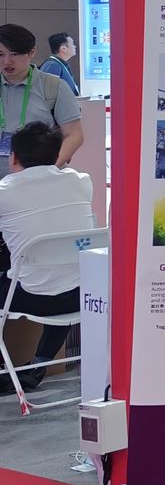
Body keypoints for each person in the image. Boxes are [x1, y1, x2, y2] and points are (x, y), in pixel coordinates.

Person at [0, 122, 98, 391]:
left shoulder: (5, 192)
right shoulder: (81, 182)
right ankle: (39, 363)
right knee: (64, 274)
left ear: (13, 158)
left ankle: (7, 366)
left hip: (31, 299)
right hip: (79, 296)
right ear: (57, 155)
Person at [0, 25, 83, 167]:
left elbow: (74, 135)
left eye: (15, 53)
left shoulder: (54, 86)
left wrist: (49, 170)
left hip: (39, 175)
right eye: (0, 54)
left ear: (32, 52)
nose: (7, 61)